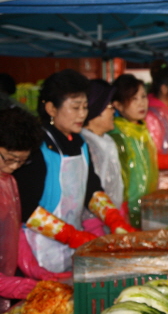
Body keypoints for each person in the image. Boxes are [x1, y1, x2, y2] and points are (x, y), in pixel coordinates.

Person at [13, 70, 134, 274]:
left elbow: (91, 189)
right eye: (75, 107)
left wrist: (114, 219)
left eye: (85, 107)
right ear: (51, 108)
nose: (82, 114)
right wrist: (71, 235)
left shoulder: (79, 142)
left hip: (72, 246)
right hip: (38, 250)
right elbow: (26, 207)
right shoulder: (36, 145)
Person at [0, 107, 68, 313]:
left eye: (21, 162)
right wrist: (9, 285)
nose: (13, 167)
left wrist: (34, 269)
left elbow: (13, 231)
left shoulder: (9, 182)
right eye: (9, 158)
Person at [109, 74, 158, 228]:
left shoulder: (142, 129)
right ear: (118, 105)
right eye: (133, 99)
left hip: (148, 207)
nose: (141, 103)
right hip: (126, 213)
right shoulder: (115, 134)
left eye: (143, 97)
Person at [80, 79, 126, 236]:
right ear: (95, 109)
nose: (113, 111)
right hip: (94, 225)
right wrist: (93, 227)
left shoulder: (106, 140)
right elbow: (88, 191)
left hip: (113, 218)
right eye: (109, 107)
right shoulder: (87, 144)